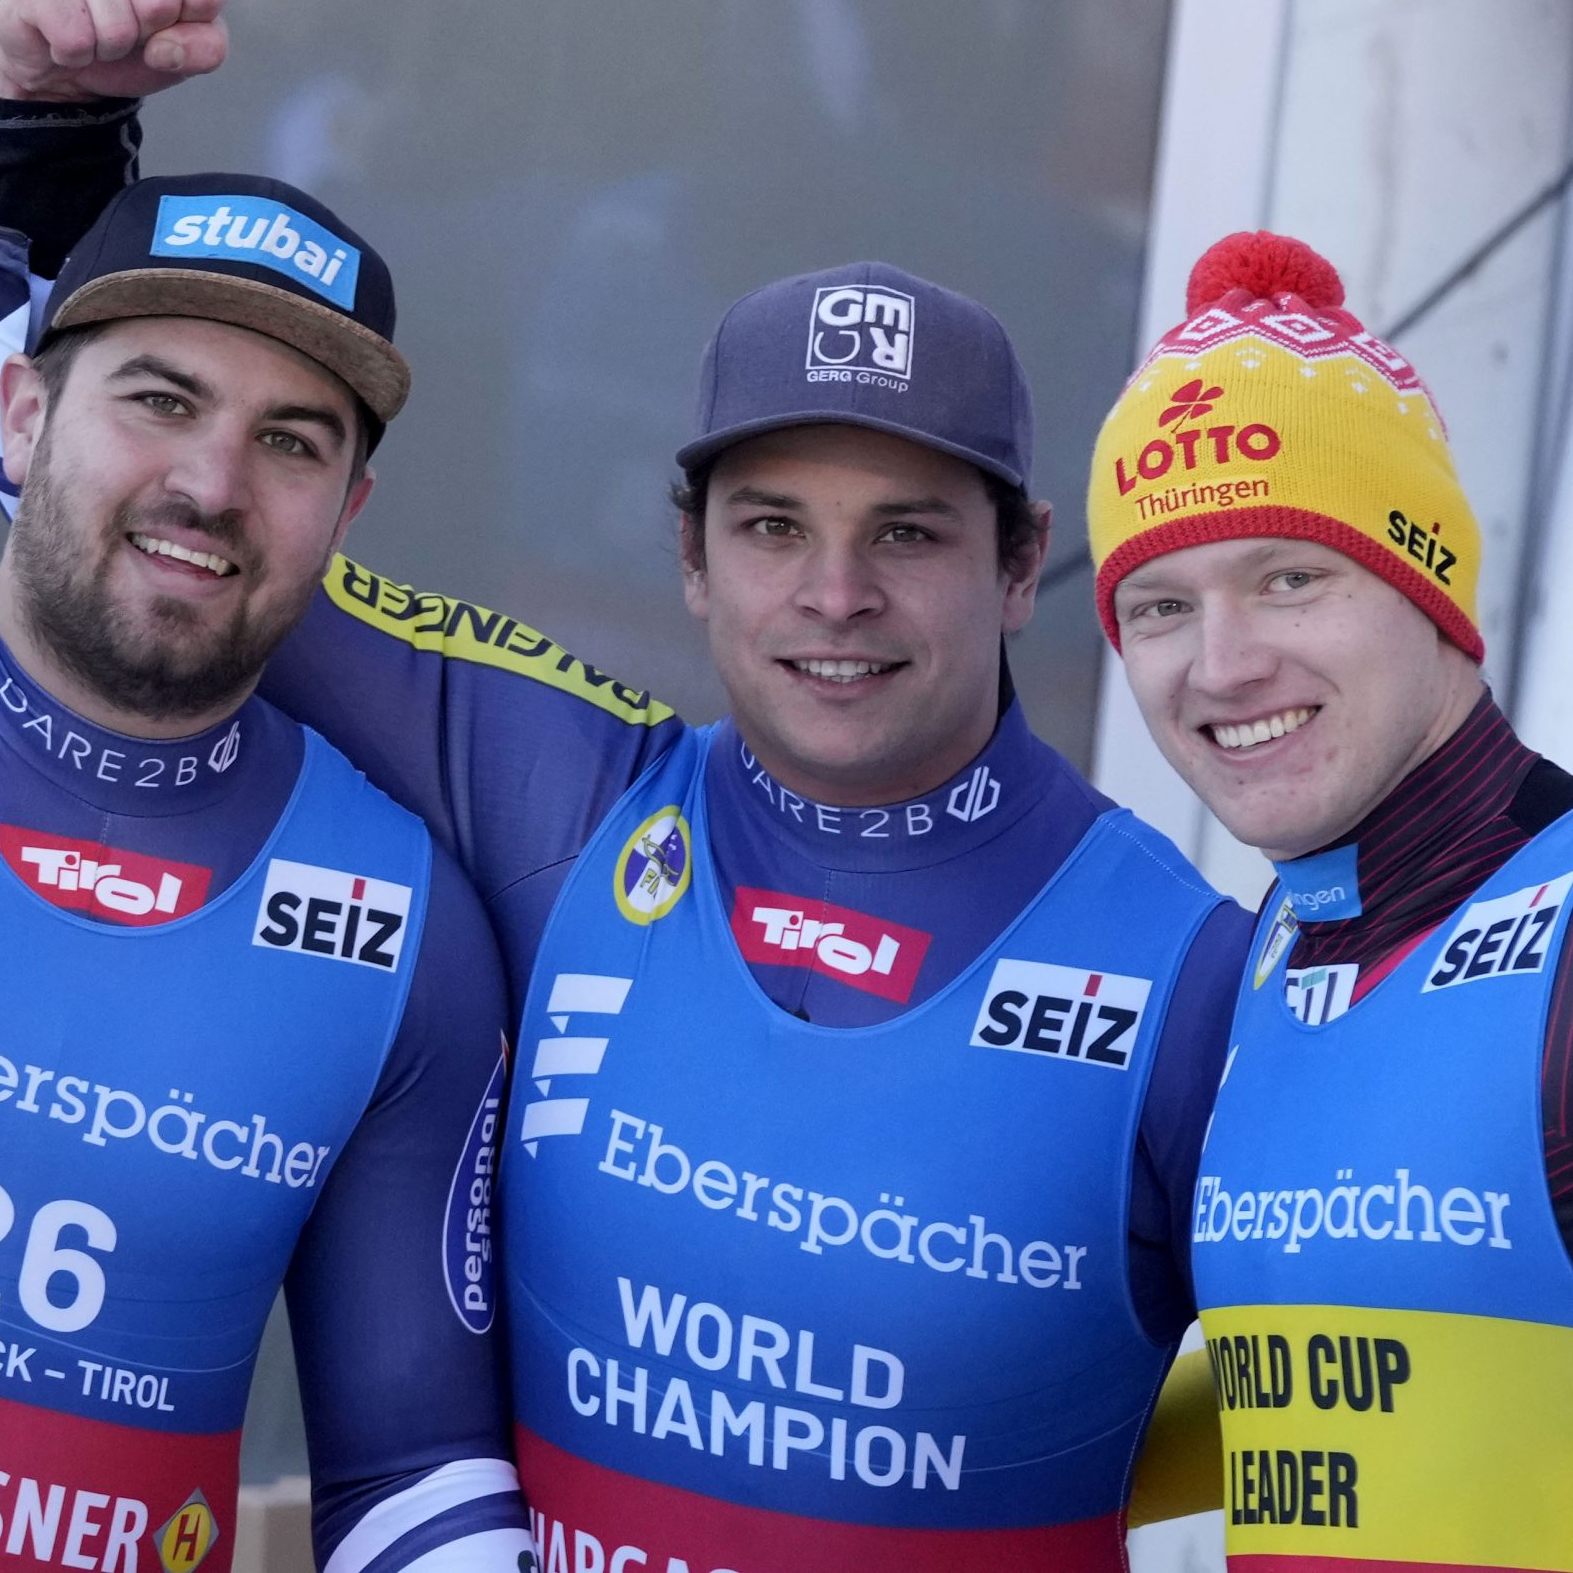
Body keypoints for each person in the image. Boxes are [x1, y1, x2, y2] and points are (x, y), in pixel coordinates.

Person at [0, 10, 1250, 1567]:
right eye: (774, 524)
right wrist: (43, 147)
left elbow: (1384, 1385)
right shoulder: (571, 802)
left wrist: (1064, 1447)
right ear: (690, 559)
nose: (836, 593)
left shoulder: (1196, 972)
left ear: (1019, 566)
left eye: (910, 533)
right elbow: (145, 546)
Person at [0, 23, 532, 1572]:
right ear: (23, 417)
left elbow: (417, 1460)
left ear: (349, 509)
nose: (213, 483)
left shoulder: (404, 919)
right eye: (159, 399)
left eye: (290, 441)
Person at [1089, 228, 1573, 1569]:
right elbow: (1332, 1374)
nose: (1223, 663)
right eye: (1161, 606)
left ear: (1430, 594)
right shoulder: (1264, 958)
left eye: (1287, 576)